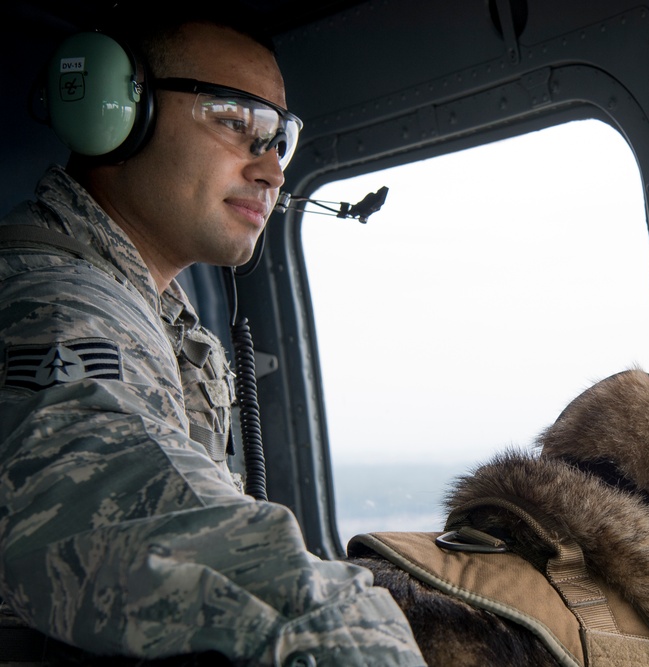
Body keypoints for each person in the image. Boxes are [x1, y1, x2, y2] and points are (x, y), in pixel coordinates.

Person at [0, 8, 426, 667]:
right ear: (117, 116)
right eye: (236, 123)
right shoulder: (51, 309)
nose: (274, 171)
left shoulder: (156, 310)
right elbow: (130, 508)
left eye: (280, 138)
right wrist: (351, 633)